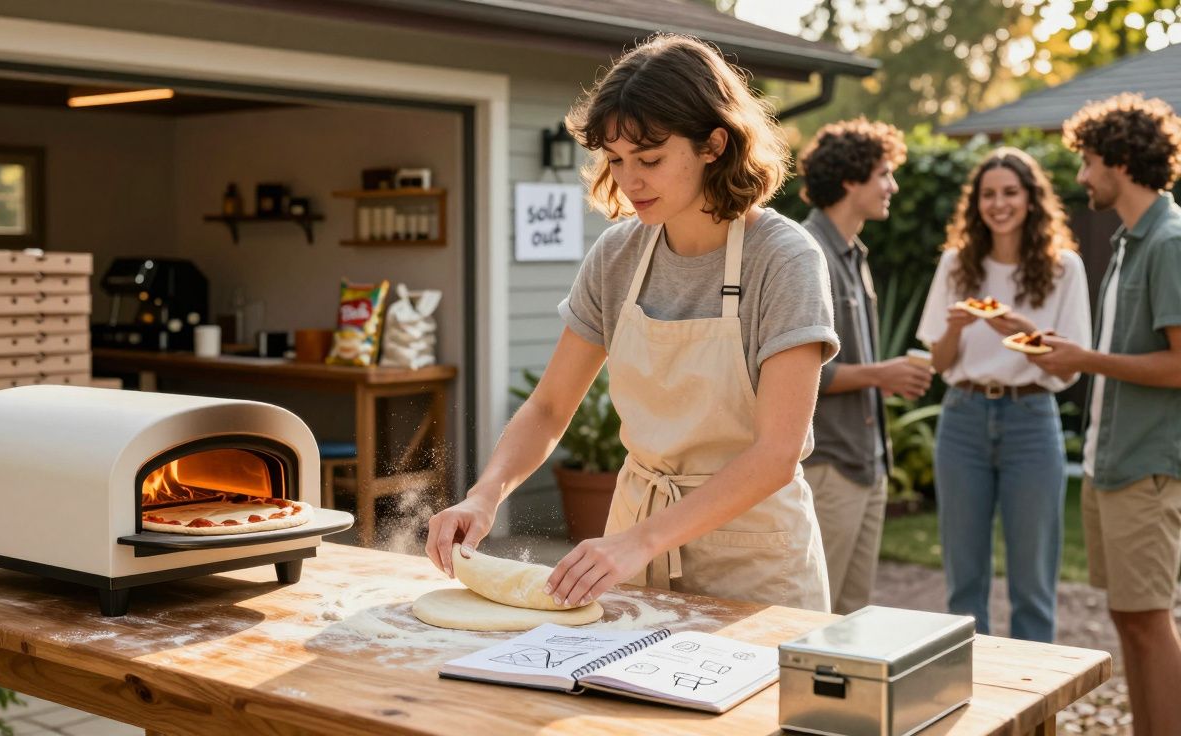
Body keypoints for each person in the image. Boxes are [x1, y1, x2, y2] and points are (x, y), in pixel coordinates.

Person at [425, 33, 839, 612]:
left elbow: (776, 453)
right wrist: (484, 495)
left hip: (754, 557)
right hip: (633, 542)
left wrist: (637, 540)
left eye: (650, 159)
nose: (629, 180)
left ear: (714, 144)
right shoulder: (619, 255)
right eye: (616, 160)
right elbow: (548, 408)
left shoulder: (786, 259)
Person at [1029, 93, 1181, 735]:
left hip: (1145, 466)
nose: (1082, 177)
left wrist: (1085, 360)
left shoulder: (1169, 243)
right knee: (1130, 619)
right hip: (1109, 461)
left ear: (1120, 160)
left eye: (1089, 162)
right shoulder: (1127, 244)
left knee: (1149, 623)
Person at [915, 147, 1091, 642]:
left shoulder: (1065, 269)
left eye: (1010, 193)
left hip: (1031, 417)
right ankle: (966, 688)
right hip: (963, 416)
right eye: (988, 194)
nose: (999, 204)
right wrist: (953, 329)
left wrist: (1020, 329)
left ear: (1031, 200)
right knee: (964, 576)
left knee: (1033, 579)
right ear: (976, 204)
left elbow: (1069, 369)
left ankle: (1034, 703)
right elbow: (940, 364)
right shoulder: (955, 265)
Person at [797, 119, 932, 614]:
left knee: (852, 615)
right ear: (850, 179)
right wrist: (882, 374)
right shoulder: (808, 255)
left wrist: (883, 377)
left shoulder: (854, 255)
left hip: (868, 465)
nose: (892, 186)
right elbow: (800, 372)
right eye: (883, 173)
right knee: (814, 614)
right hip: (829, 463)